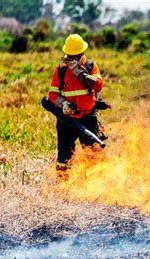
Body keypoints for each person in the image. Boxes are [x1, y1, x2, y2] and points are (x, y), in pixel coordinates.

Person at [41, 34, 109, 172]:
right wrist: (64, 104)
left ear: (82, 53)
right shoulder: (60, 70)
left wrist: (79, 72)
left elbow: (98, 85)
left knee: (93, 154)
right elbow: (52, 94)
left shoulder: (90, 66)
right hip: (66, 120)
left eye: (76, 56)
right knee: (64, 156)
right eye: (71, 56)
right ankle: (61, 186)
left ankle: (95, 184)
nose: (73, 59)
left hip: (88, 118)